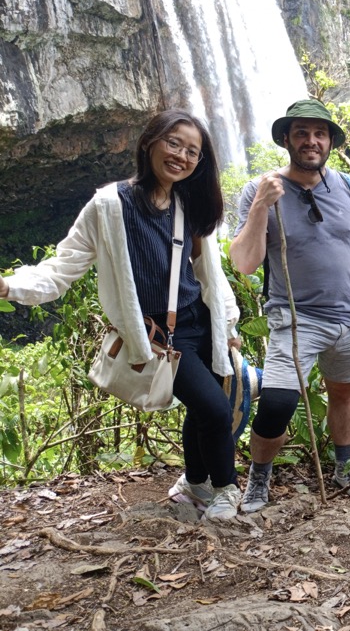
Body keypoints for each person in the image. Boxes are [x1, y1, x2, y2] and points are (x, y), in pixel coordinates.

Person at [0, 110, 242, 520]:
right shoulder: (109, 206)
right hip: (162, 334)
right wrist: (9, 287)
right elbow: (62, 267)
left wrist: (228, 323)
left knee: (204, 406)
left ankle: (196, 482)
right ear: (150, 142)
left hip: (202, 322)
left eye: (192, 152)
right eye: (174, 143)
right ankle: (225, 488)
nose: (181, 156)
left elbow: (208, 273)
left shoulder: (188, 203)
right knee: (216, 410)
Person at [231, 98, 350, 510]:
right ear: (286, 139)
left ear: (330, 141)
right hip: (296, 319)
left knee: (342, 392)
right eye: (302, 133)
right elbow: (245, 262)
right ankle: (258, 480)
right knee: (278, 403)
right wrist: (262, 204)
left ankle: (343, 467)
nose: (311, 141)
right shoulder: (260, 190)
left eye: (320, 134)